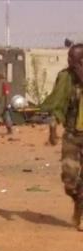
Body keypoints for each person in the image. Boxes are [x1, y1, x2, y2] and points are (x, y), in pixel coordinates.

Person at [40, 43, 83, 231]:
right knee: (69, 180)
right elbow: (58, 103)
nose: (69, 62)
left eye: (73, 59)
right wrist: (52, 129)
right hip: (72, 136)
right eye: (69, 58)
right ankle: (78, 202)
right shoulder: (65, 78)